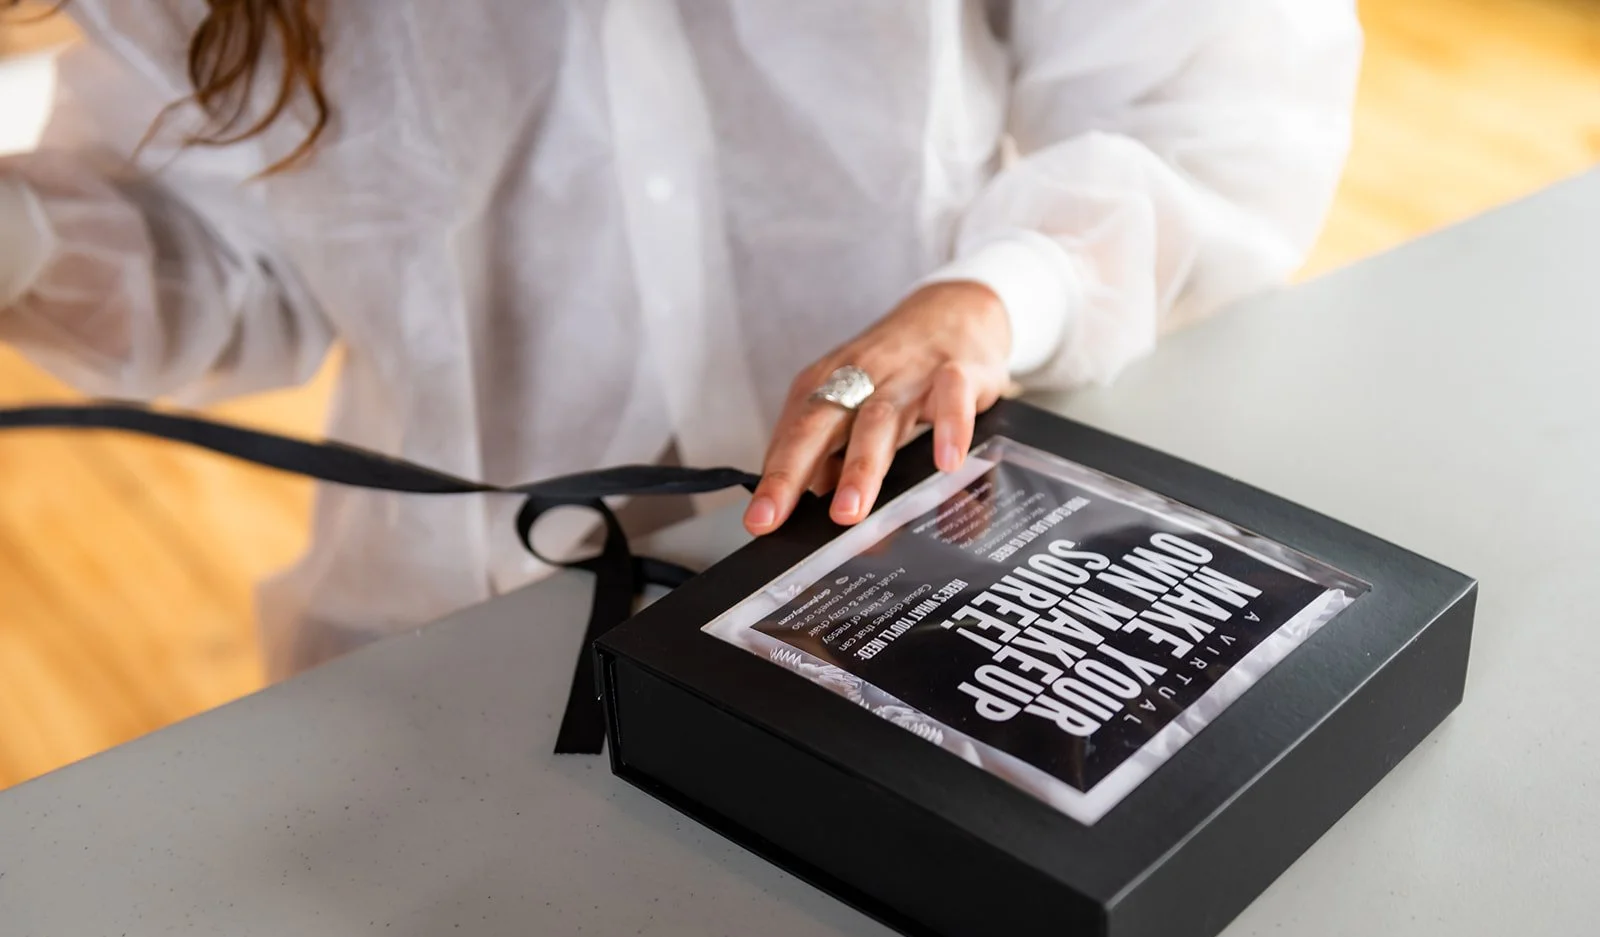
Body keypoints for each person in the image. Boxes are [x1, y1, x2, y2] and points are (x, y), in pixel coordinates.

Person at [0, 1, 1362, 681]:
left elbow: (1211, 111)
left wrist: (996, 294)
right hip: (449, 640)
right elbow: (232, 267)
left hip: (913, 583)